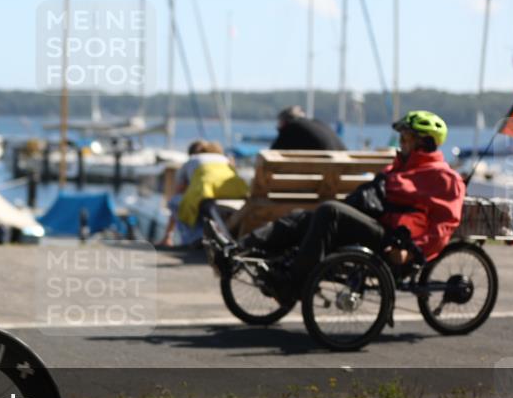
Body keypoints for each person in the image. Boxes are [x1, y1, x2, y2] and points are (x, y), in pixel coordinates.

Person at [235, 110, 464, 304]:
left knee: (329, 211)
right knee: (304, 217)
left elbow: (444, 225)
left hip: (394, 241)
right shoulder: (400, 167)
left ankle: (294, 286)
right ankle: (237, 250)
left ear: (424, 143)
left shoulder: (444, 178)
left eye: (405, 140)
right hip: (375, 223)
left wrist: (411, 251)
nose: (401, 144)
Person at [157, 140, 247, 247]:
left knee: (175, 203)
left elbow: (179, 190)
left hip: (207, 193)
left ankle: (192, 239)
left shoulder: (192, 160)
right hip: (238, 194)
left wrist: (168, 234)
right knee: (201, 207)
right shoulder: (225, 159)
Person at [270, 105, 346, 151]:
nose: (278, 128)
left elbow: (273, 152)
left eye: (279, 125)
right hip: (346, 173)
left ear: (284, 121)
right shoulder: (319, 123)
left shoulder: (291, 127)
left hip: (323, 173)